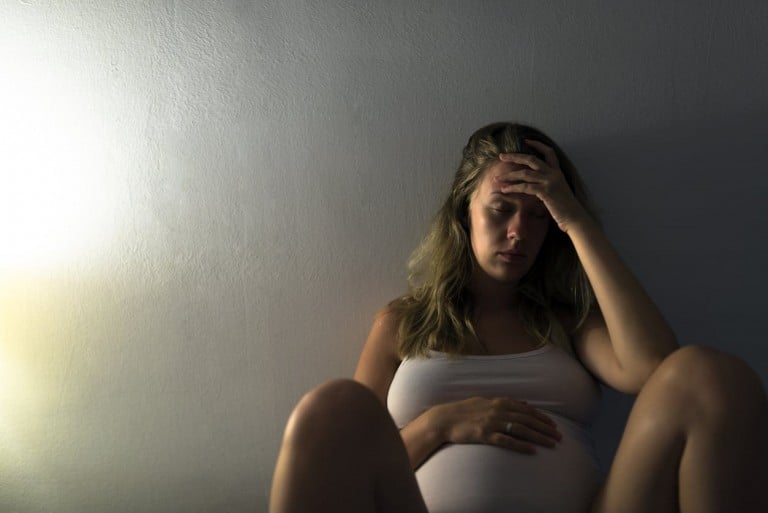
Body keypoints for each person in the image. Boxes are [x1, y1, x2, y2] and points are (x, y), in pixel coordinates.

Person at [269, 122, 768, 513]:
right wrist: (438, 426)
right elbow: (352, 471)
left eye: (537, 216)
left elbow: (655, 365)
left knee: (707, 374)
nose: (518, 232)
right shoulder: (403, 323)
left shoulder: (568, 323)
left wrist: (572, 218)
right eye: (502, 209)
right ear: (465, 213)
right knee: (331, 409)